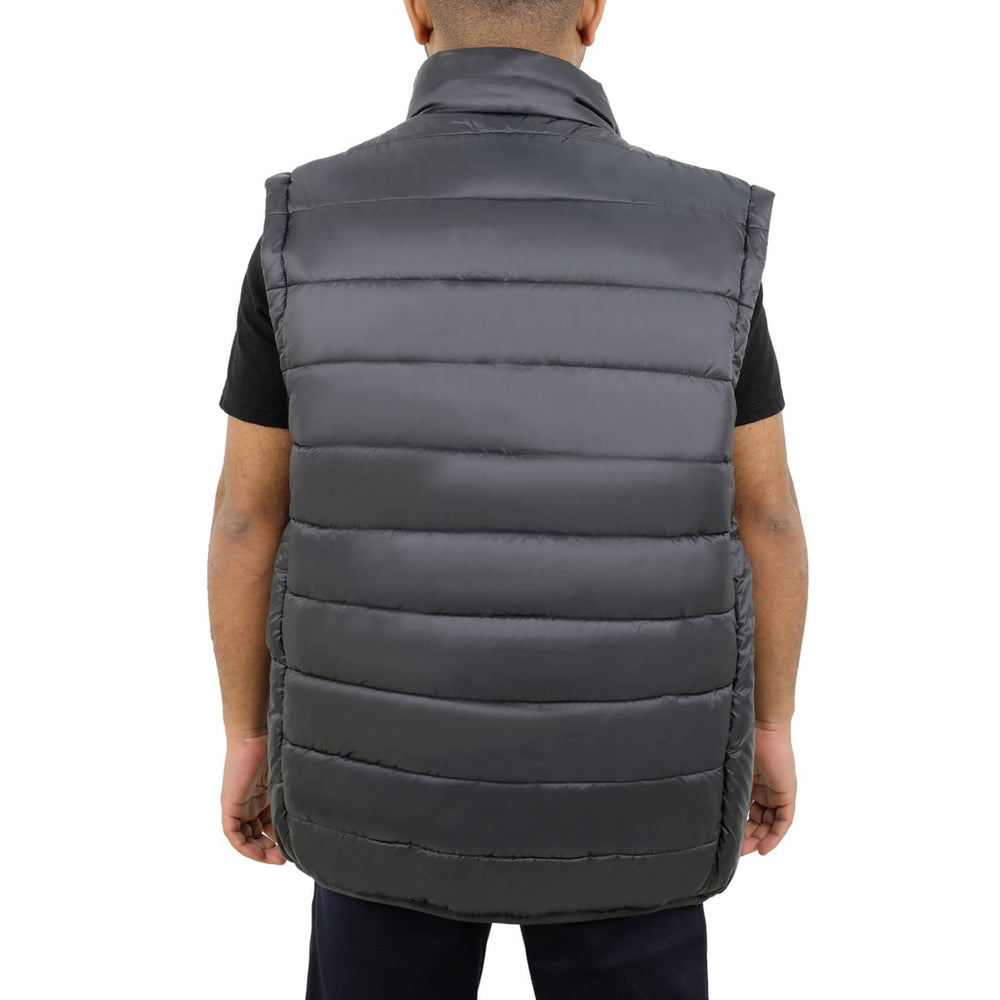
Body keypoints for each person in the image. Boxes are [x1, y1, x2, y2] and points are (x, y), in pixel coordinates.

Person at [207, 2, 809, 997]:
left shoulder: (307, 226)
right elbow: (768, 514)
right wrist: (770, 729)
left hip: (380, 787)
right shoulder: (706, 235)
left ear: (416, 13)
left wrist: (247, 735)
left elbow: (247, 515)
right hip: (635, 787)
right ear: (592, 13)